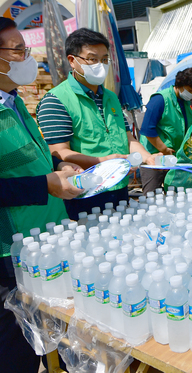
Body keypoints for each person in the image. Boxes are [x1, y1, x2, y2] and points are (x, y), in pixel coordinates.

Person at [0, 17, 83, 373]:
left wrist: (59, 169)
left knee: (45, 330)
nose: (26, 56)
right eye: (18, 50)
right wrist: (45, 184)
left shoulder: (15, 102)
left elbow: (31, 156)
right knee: (16, 342)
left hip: (44, 233)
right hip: (9, 248)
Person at [36, 28, 157, 219]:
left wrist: (148, 157)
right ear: (72, 61)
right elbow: (58, 152)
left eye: (104, 59)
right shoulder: (56, 100)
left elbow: (127, 136)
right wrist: (102, 161)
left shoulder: (110, 96)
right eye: (92, 59)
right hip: (86, 191)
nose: (100, 64)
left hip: (119, 185)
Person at [139, 67, 192, 193]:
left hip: (173, 158)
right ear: (180, 84)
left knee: (174, 195)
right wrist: (164, 149)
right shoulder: (160, 99)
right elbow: (147, 129)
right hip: (154, 157)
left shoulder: (186, 103)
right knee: (152, 194)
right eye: (190, 90)